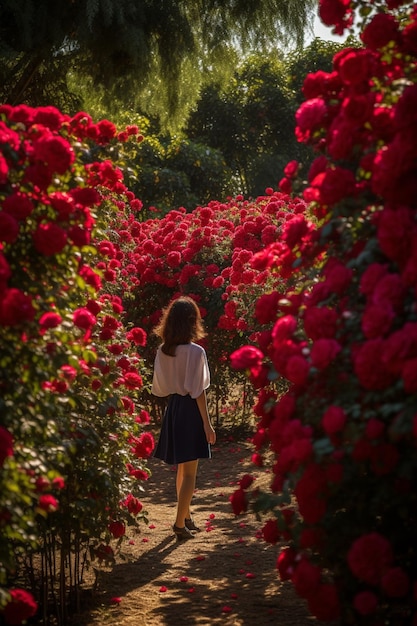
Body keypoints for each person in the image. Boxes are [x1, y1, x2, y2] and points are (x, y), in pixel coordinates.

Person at [151, 296, 216, 542]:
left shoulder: (163, 351)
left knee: (181, 469)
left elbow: (159, 388)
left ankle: (185, 516)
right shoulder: (196, 352)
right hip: (190, 410)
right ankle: (180, 523)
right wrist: (207, 424)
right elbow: (199, 391)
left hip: (174, 408)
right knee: (189, 473)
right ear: (192, 321)